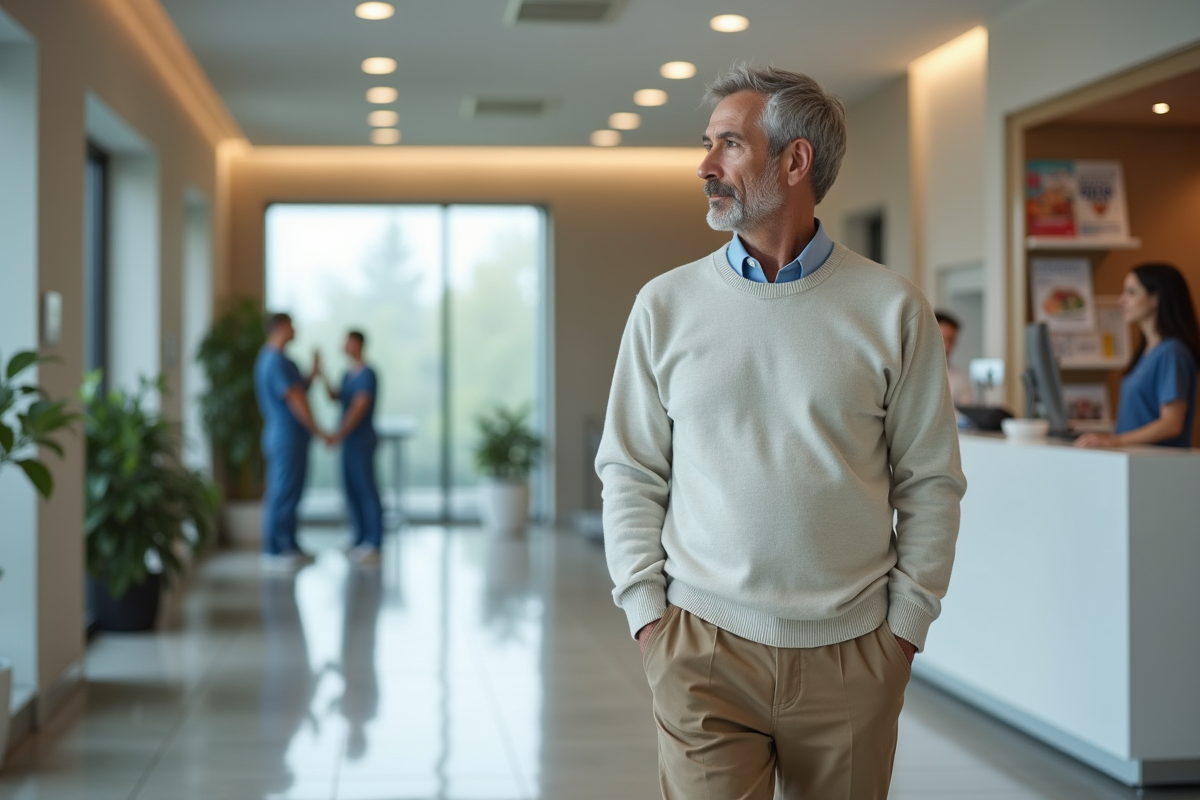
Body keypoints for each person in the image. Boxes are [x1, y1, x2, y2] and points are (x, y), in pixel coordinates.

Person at [596, 66, 966, 800]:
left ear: (794, 162)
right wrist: (649, 619)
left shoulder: (894, 309)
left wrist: (903, 631)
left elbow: (931, 481)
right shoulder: (664, 306)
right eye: (708, 146)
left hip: (854, 655)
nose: (705, 167)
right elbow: (632, 470)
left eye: (729, 146)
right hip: (700, 646)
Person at [1076, 263, 1199, 449]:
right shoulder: (1147, 352)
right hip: (1134, 463)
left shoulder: (1172, 352)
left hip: (1156, 466)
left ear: (1155, 298)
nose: (1121, 300)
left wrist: (1117, 441)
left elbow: (1172, 423)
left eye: (1131, 293)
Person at [254, 312, 327, 570]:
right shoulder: (273, 361)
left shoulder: (280, 361)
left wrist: (314, 373)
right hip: (285, 436)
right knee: (282, 491)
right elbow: (295, 399)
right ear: (280, 327)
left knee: (292, 491)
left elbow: (298, 388)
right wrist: (319, 430)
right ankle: (275, 549)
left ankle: (289, 545)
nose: (295, 329)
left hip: (290, 437)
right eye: (292, 325)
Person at [322, 330, 384, 565]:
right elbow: (335, 397)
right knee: (351, 490)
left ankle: (374, 542)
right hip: (348, 441)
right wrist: (322, 375)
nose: (345, 346)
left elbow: (358, 408)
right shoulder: (347, 374)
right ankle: (359, 539)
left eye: (349, 342)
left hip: (361, 440)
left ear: (359, 344)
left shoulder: (368, 374)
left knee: (366, 489)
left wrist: (338, 434)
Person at [936, 310, 973, 406]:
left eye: (951, 340)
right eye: (944, 338)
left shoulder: (959, 377)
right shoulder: (910, 371)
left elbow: (967, 410)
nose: (948, 346)